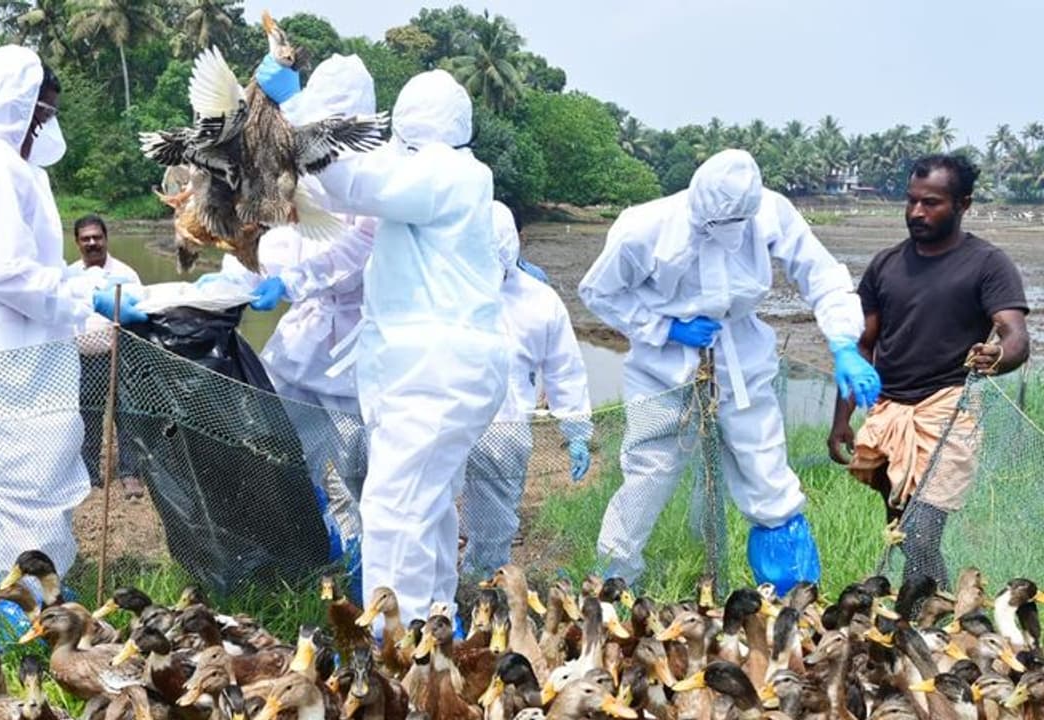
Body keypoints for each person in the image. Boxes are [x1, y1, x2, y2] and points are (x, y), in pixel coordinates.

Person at [259, 64, 507, 623]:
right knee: (429, 503)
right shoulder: (445, 175)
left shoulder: (445, 176)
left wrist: (296, 105)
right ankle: (438, 619)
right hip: (436, 373)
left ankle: (400, 637)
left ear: (410, 128)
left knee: (396, 508)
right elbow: (340, 186)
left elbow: (353, 181)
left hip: (436, 375)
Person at [578, 148, 880, 596]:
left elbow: (820, 273)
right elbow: (599, 293)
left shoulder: (769, 212)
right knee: (649, 473)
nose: (727, 234)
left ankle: (792, 592)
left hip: (741, 357)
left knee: (766, 470)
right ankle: (612, 583)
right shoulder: (645, 227)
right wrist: (665, 327)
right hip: (662, 368)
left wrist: (842, 342)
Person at [0, 45, 146, 623]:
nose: (41, 129)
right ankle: (38, 614)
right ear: (16, 106)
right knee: (35, 484)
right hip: (4, 348)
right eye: (40, 116)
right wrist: (81, 300)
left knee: (5, 484)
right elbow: (7, 273)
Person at [211, 54, 380, 579]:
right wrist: (236, 277)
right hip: (303, 343)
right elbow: (285, 238)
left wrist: (294, 282)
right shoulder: (308, 171)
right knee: (282, 454)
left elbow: (355, 250)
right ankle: (301, 554)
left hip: (354, 351)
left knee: (364, 474)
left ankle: (366, 566)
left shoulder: (376, 176)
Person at [828, 154, 1029, 588]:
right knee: (902, 529)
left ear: (963, 204)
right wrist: (841, 420)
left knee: (920, 533)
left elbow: (1014, 336)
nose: (917, 212)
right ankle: (928, 612)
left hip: (947, 411)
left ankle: (916, 620)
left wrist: (997, 357)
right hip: (889, 412)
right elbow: (862, 346)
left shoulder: (988, 264)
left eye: (932, 203)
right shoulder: (885, 264)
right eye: (911, 201)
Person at [458, 201, 593, 577]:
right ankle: (427, 594)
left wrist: (576, 429)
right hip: (444, 417)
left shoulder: (539, 300)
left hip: (506, 424)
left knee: (495, 524)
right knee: (429, 513)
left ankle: (479, 587)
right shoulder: (444, 293)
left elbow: (564, 369)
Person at [69, 214, 146, 498]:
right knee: (87, 416)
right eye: (86, 238)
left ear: (106, 239)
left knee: (127, 414)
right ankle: (90, 475)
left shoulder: (126, 274)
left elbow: (141, 315)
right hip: (84, 358)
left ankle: (130, 474)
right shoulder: (69, 275)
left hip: (121, 355)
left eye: (97, 237)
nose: (92, 243)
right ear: (77, 242)